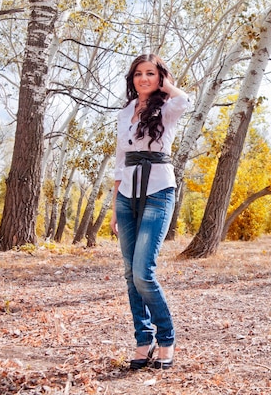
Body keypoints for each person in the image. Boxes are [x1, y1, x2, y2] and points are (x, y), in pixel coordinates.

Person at [110, 53, 189, 370]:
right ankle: (144, 341)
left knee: (144, 272)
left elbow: (185, 100)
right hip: (126, 194)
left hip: (158, 191)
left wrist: (166, 85)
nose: (143, 78)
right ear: (131, 79)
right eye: (138, 74)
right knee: (131, 274)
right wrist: (114, 206)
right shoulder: (125, 112)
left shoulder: (167, 109)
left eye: (150, 73)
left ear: (160, 78)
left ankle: (166, 339)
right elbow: (119, 160)